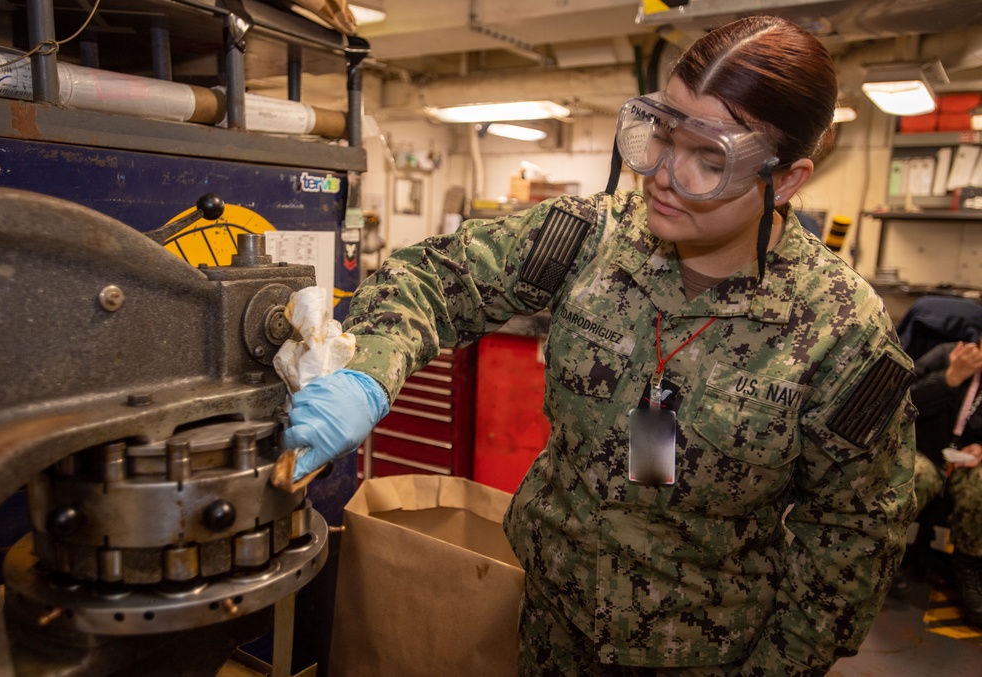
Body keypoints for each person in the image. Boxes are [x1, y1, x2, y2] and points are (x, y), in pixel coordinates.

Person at [283, 15, 917, 676]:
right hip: (545, 628)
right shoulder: (590, 238)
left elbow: (855, 530)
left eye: (709, 158)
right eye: (662, 133)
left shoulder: (839, 330)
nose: (663, 175)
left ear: (783, 180)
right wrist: (371, 374)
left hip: (705, 654)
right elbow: (435, 278)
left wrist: (777, 668)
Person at [906, 338, 982, 625]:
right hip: (925, 452)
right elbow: (902, 403)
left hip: (968, 464)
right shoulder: (946, 355)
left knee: (980, 486)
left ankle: (969, 563)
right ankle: (889, 552)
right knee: (913, 476)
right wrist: (950, 378)